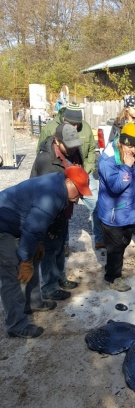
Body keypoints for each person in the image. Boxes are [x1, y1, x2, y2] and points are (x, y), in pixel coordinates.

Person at [0, 167, 91, 338]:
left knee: (33, 258)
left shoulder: (59, 186)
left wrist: (39, 243)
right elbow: (33, 228)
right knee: (13, 272)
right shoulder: (53, 195)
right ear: (68, 182)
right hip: (3, 225)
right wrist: (25, 261)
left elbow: (37, 222)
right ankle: (15, 325)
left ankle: (33, 302)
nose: (79, 197)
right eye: (78, 190)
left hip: (18, 224)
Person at [38, 103, 104, 250]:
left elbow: (91, 151)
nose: (74, 127)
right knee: (61, 208)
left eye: (77, 124)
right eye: (71, 124)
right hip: (59, 174)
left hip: (82, 174)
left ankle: (99, 238)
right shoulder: (49, 128)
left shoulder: (85, 128)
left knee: (96, 203)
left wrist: (85, 171)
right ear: (64, 119)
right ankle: (64, 243)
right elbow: (41, 153)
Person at [31, 123, 83, 301]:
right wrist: (51, 224)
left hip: (64, 208)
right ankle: (49, 287)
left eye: (74, 144)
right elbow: (45, 197)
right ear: (56, 140)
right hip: (48, 212)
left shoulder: (74, 150)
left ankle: (60, 278)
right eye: (68, 145)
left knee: (60, 247)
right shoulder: (46, 160)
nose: (72, 148)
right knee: (49, 249)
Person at [98, 123, 135, 292]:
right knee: (115, 247)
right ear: (121, 143)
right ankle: (113, 277)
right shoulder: (108, 160)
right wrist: (127, 167)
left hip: (128, 211)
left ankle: (111, 266)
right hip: (112, 213)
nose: (133, 150)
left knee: (125, 241)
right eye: (130, 146)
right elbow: (116, 187)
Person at [109, 95, 135, 236]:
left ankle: (131, 223)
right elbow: (112, 142)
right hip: (121, 161)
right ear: (127, 108)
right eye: (134, 108)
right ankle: (119, 220)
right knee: (121, 190)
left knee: (133, 190)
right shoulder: (118, 124)